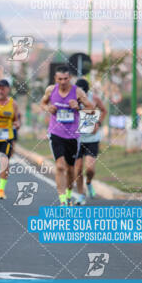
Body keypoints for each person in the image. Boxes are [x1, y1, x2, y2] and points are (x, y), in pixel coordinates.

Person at [40, 67, 94, 206]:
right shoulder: (51, 90)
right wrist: (48, 109)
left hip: (73, 136)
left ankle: (69, 193)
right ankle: (62, 199)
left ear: (69, 78)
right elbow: (43, 103)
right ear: (55, 79)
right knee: (60, 166)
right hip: (56, 133)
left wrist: (79, 107)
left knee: (71, 169)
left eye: (65, 79)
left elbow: (91, 109)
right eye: (60, 79)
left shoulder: (78, 92)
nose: (63, 82)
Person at [74, 78, 107, 205]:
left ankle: (88, 183)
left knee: (90, 169)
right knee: (77, 169)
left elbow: (104, 110)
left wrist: (98, 123)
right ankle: (81, 194)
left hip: (92, 139)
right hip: (76, 139)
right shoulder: (72, 100)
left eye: (82, 91)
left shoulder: (94, 98)